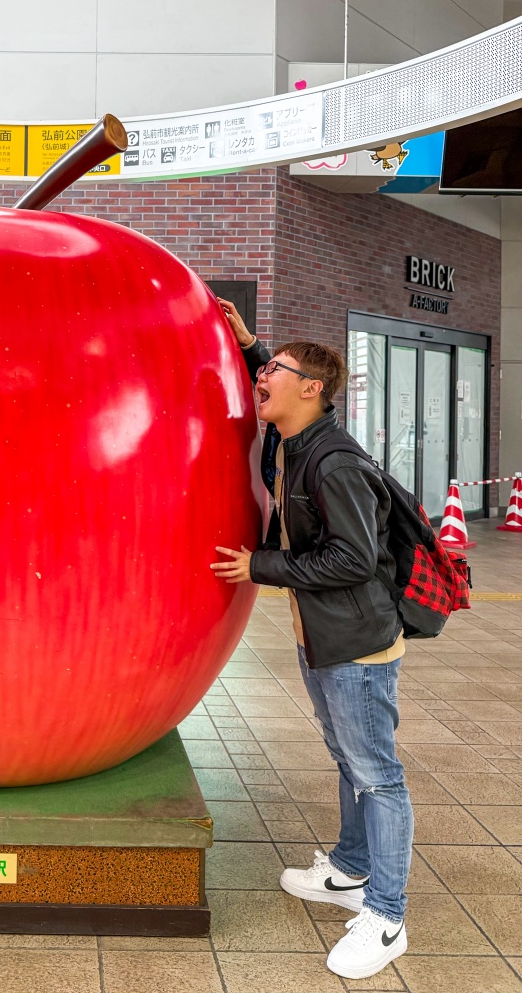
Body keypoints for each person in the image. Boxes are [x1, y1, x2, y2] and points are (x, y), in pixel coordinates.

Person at [210, 299, 413, 982]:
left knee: (378, 776)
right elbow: (265, 383)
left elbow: (354, 559)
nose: (261, 376)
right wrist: (247, 346)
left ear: (313, 389)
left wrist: (258, 565)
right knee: (346, 758)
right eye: (262, 369)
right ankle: (352, 870)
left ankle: (386, 916)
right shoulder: (293, 438)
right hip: (323, 636)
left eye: (275, 370)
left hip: (356, 645)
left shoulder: (333, 463)